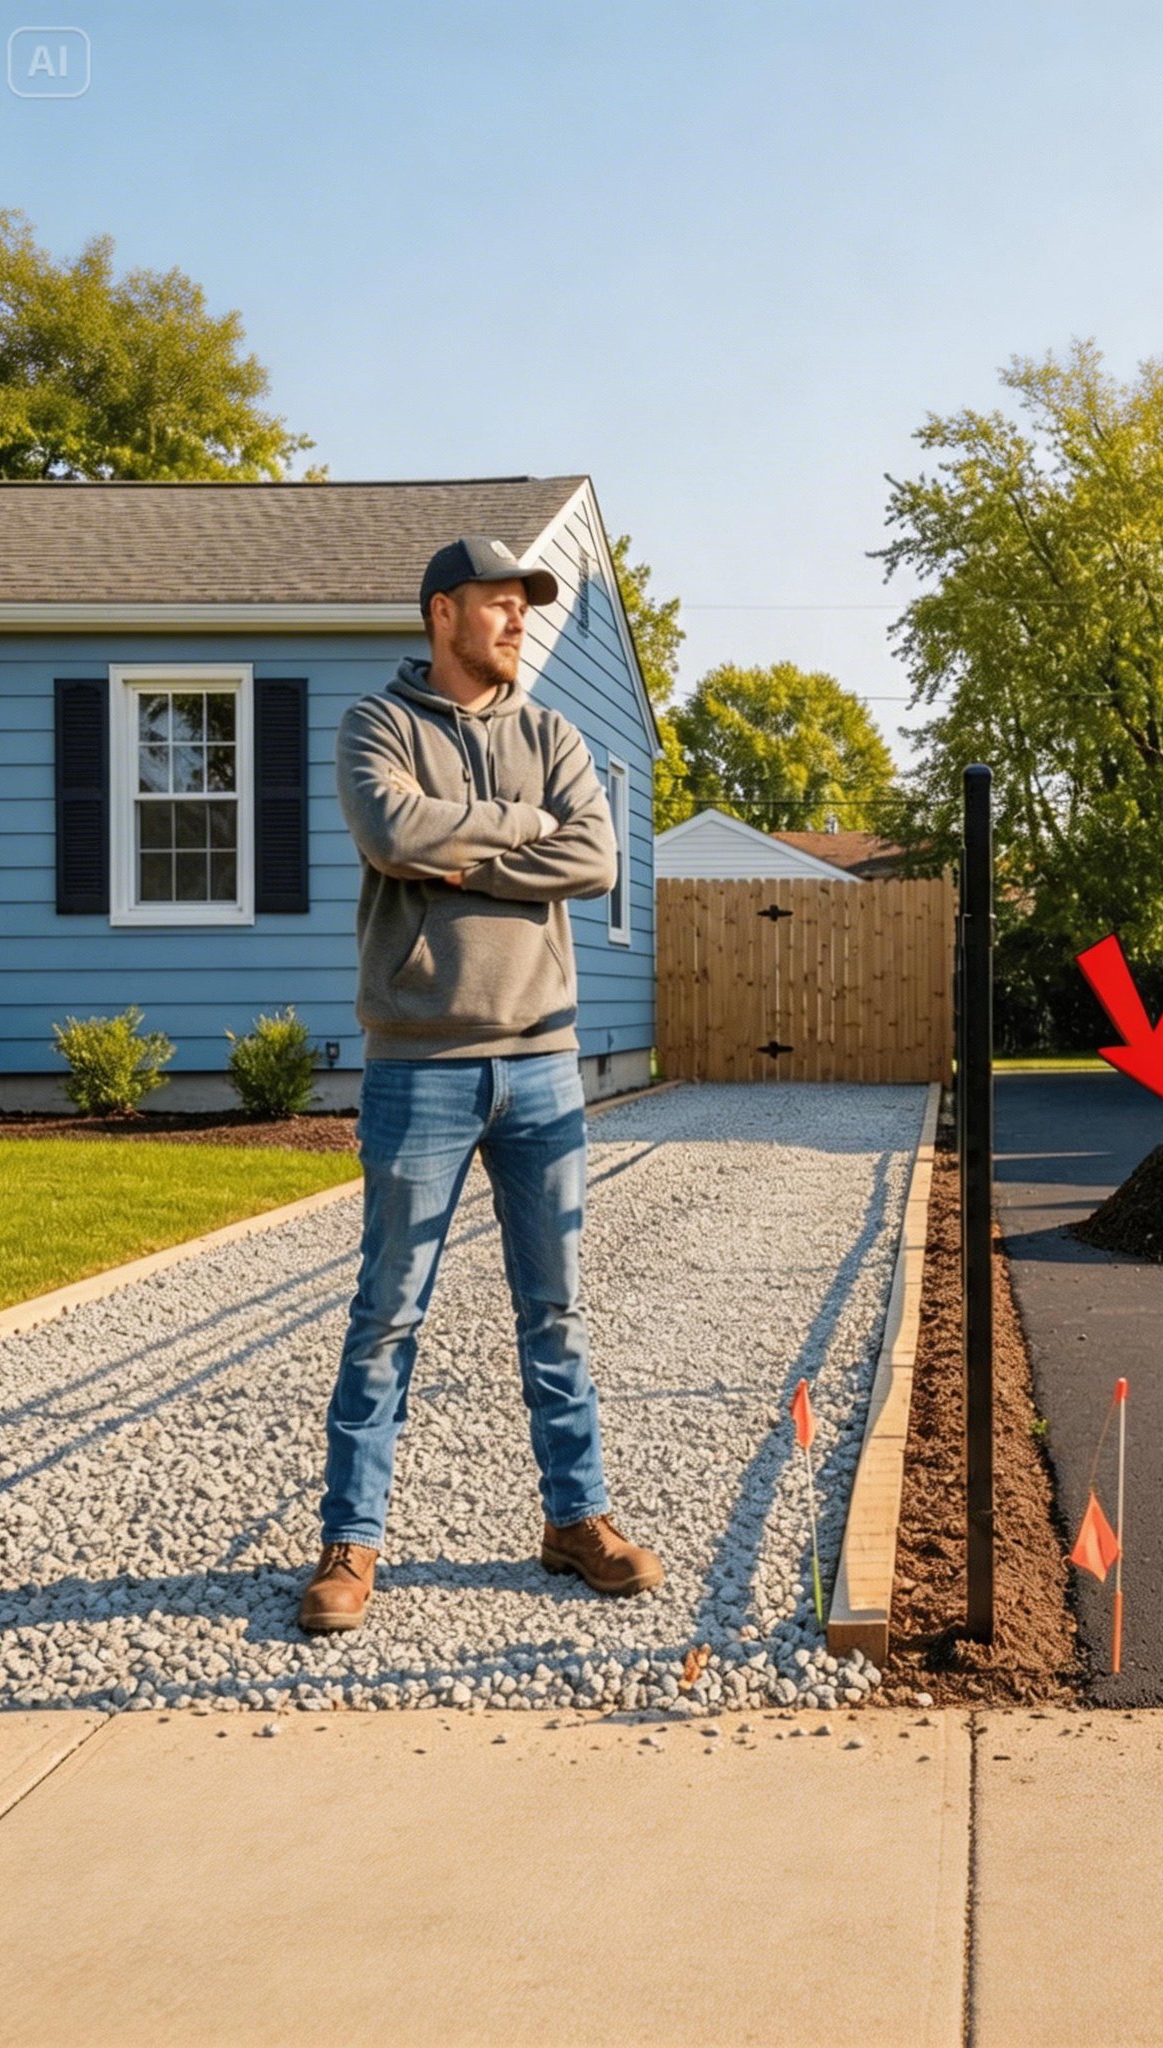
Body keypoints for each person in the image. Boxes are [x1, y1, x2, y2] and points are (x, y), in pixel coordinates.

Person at [298, 537, 663, 1635]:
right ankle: (351, 1542)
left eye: (524, 608)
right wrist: (513, 831)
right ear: (442, 611)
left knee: (554, 1312)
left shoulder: (551, 733)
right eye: (500, 606)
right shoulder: (378, 725)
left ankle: (575, 1519)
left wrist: (461, 851)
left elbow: (592, 855)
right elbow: (390, 828)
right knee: (385, 1317)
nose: (517, 624)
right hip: (419, 1065)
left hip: (543, 1065)